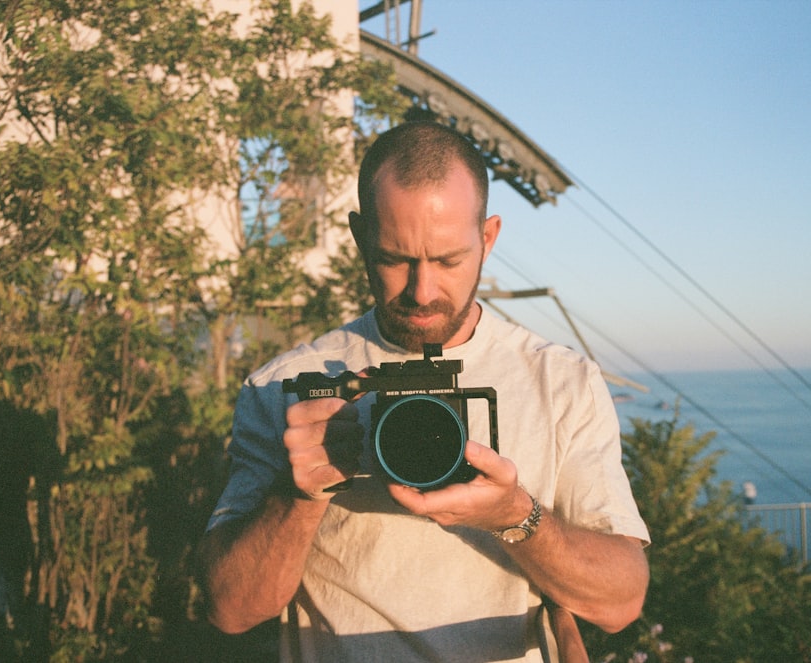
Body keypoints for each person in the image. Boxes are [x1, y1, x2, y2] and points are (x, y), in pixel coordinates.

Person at [198, 121, 650, 662]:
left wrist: (515, 515)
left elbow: (621, 600)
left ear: (488, 238)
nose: (423, 290)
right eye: (394, 259)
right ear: (361, 237)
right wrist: (296, 496)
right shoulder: (286, 387)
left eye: (448, 260)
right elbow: (230, 609)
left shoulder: (562, 383)